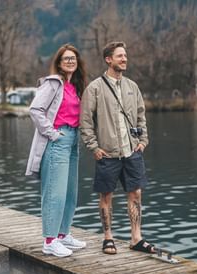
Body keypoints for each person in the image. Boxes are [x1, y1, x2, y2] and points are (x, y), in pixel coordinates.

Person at [80, 41, 155, 255]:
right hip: (107, 153)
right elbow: (85, 122)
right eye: (120, 56)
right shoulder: (94, 88)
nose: (125, 59)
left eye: (125, 56)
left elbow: (141, 116)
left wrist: (143, 141)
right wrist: (94, 147)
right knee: (106, 196)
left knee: (136, 193)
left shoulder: (132, 87)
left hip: (132, 151)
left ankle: (136, 238)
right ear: (108, 59)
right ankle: (108, 237)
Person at [26, 44, 87, 257]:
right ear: (59, 62)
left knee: (70, 192)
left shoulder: (75, 86)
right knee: (55, 193)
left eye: (73, 58)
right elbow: (35, 109)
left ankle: (63, 234)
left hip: (72, 140)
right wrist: (52, 133)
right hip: (57, 140)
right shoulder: (53, 83)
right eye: (66, 58)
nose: (70, 61)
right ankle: (49, 241)